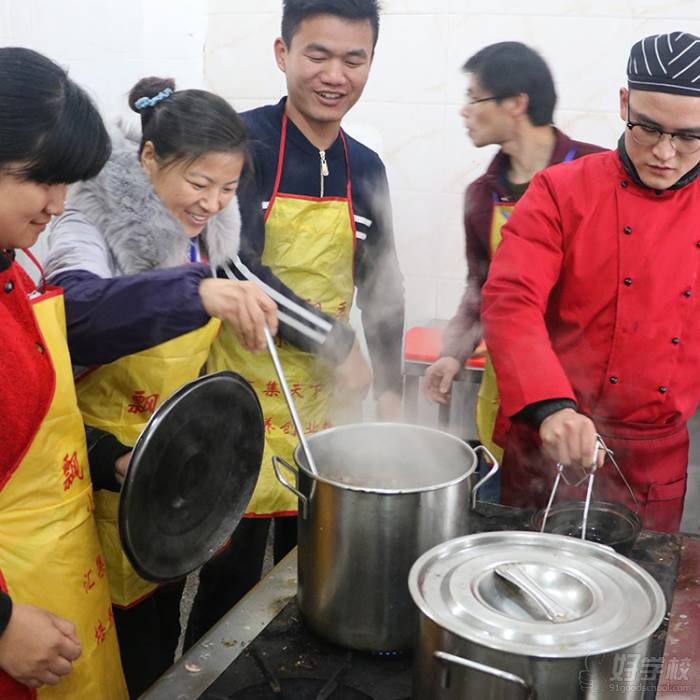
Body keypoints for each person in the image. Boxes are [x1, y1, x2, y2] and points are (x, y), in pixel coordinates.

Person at [44, 77, 277, 697]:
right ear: (149, 159)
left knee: (152, 652)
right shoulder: (86, 226)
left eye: (227, 189)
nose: (211, 203)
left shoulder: (207, 238)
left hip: (157, 489)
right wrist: (192, 293)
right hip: (85, 486)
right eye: (198, 183)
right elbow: (76, 314)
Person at [186, 0, 405, 646]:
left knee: (313, 574)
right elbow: (232, 266)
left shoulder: (365, 167)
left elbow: (384, 287)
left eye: (353, 58)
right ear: (283, 55)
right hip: (239, 400)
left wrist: (392, 392)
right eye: (318, 54)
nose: (334, 74)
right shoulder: (242, 147)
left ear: (369, 64)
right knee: (227, 585)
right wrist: (337, 343)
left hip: (324, 411)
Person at [481, 31, 700, 532]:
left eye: (689, 137)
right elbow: (510, 300)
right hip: (552, 441)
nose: (665, 153)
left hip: (654, 461)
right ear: (625, 103)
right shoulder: (560, 190)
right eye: (648, 128)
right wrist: (551, 407)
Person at [0, 47, 128, 699]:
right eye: (39, 179)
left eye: (66, 183)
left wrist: (108, 458)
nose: (56, 204)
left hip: (51, 583)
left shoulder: (15, 266)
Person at [423, 42, 602, 474]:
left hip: (588, 394)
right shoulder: (482, 196)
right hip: (509, 385)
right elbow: (480, 287)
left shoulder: (597, 173)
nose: (465, 111)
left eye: (474, 98)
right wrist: (453, 352)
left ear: (517, 103)